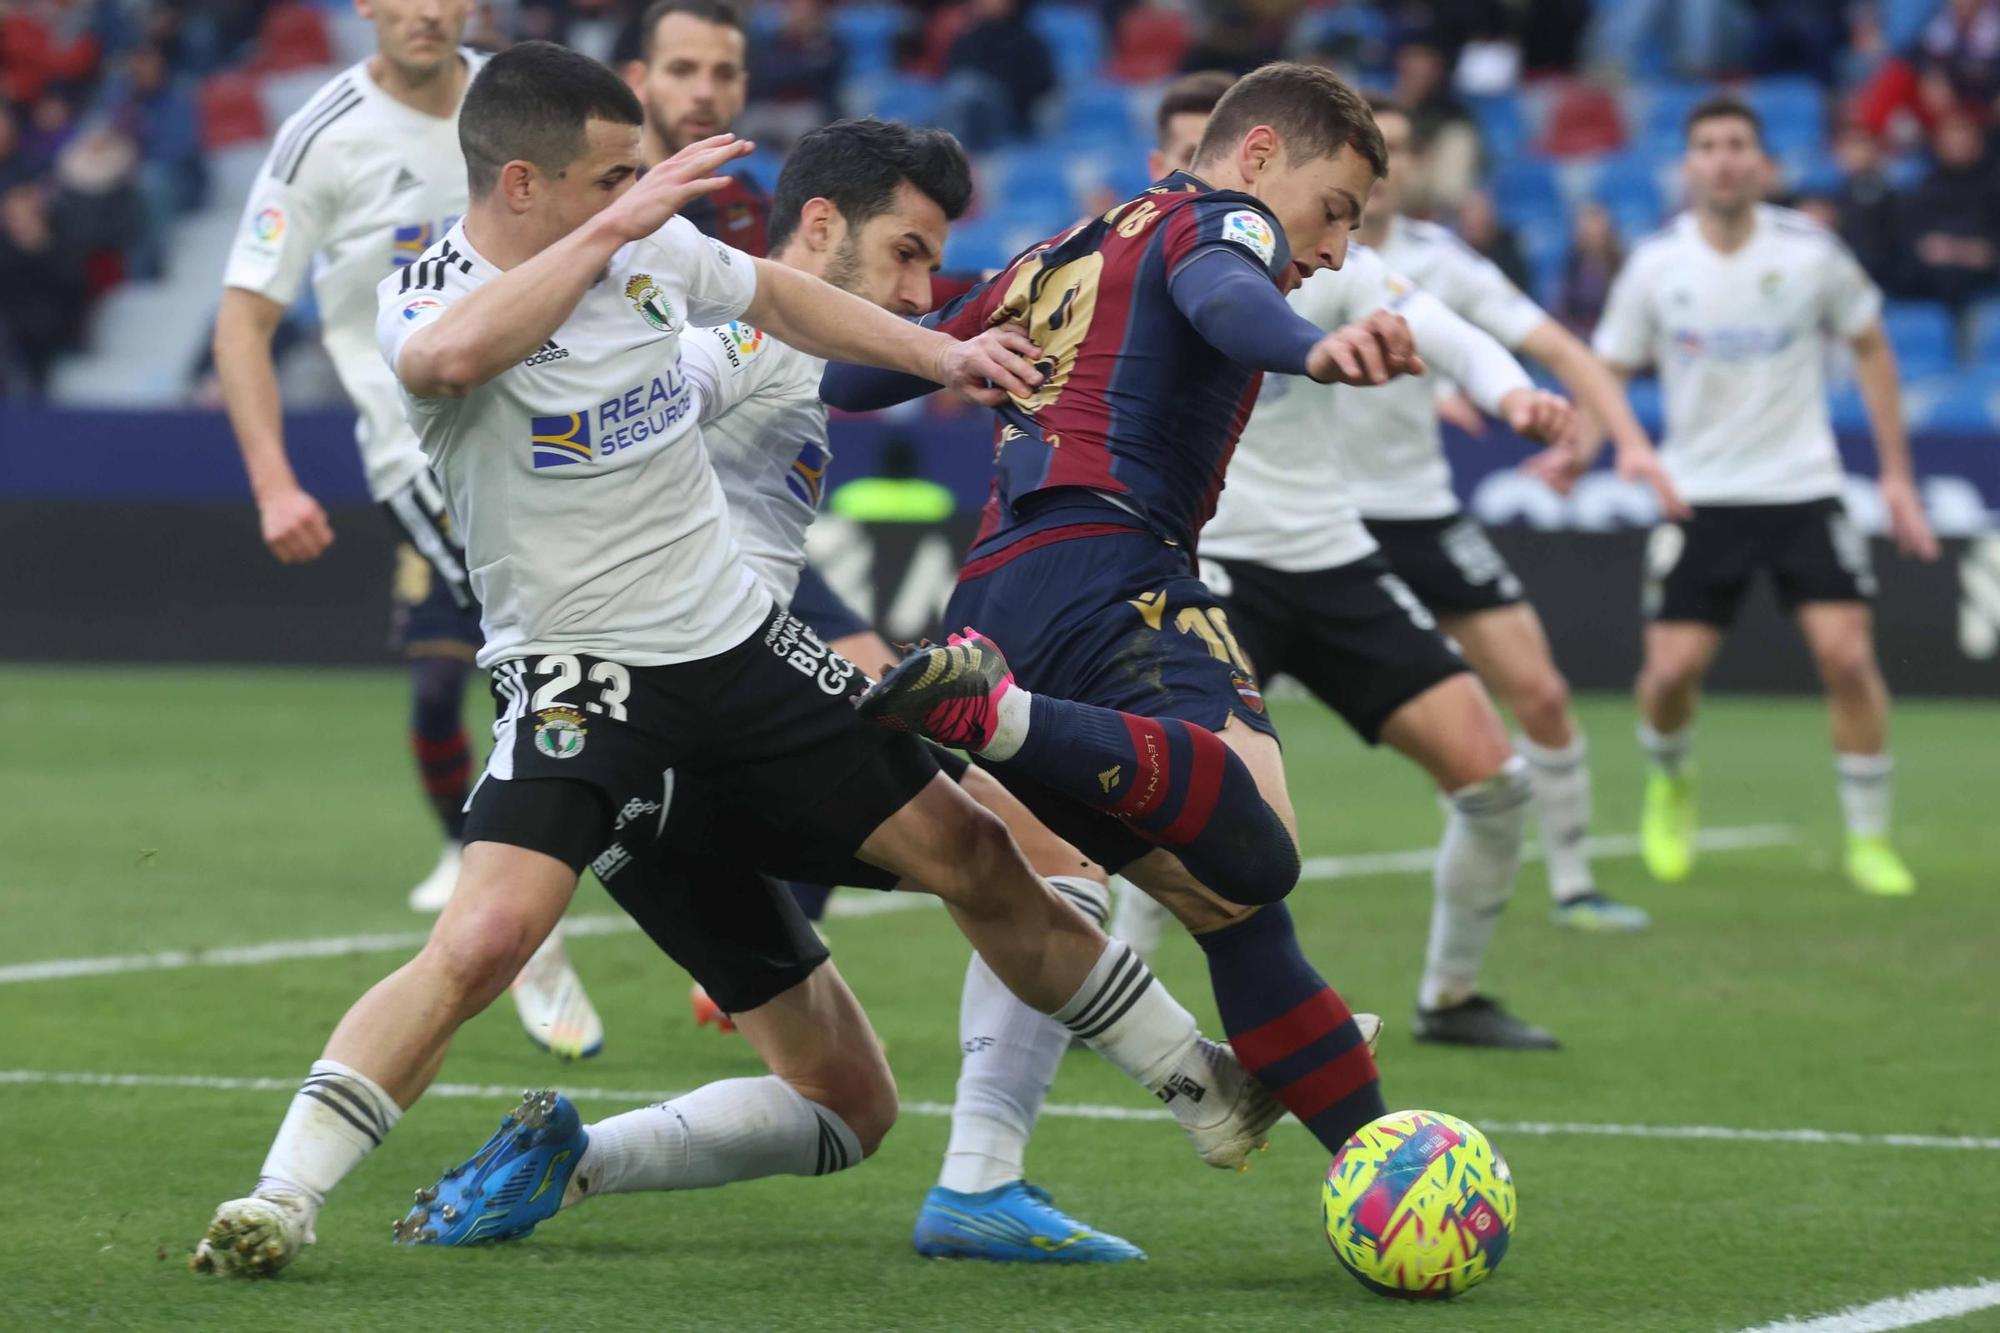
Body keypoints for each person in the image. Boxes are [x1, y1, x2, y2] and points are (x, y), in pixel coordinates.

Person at [193, 44, 1270, 1278]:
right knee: (488, 936)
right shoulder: (429, 290)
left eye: (639, 172)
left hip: (740, 651)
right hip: (577, 678)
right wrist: (619, 234)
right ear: (524, 185)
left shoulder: (651, 252)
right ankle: (278, 1198)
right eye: (613, 175)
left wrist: (942, 358)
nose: (639, 191)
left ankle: (1207, 1093)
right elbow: (442, 365)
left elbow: (773, 295)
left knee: (953, 902)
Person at [834, 61, 1422, 1164]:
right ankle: (995, 718)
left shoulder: (1055, 249)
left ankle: (1376, 1159)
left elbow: (851, 380)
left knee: (1228, 906)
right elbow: (1225, 296)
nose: (1336, 249)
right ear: (1256, 157)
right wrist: (1312, 346)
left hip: (999, 590)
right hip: (1113, 571)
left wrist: (868, 320)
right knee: (1256, 849)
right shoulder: (1223, 220)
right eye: (1333, 210)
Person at [210, 0, 602, 1058]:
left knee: (605, 666)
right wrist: (273, 483)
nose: (426, 9)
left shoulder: (520, 98)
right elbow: (242, 318)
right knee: (556, 668)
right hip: (429, 460)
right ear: (364, 6)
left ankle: (529, 891)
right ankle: (521, 919)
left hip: (565, 429)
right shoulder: (319, 139)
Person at [1339, 95, 1680, 931]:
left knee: (1542, 692)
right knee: (1217, 719)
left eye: (1403, 148)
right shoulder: (1277, 255)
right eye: (1370, 144)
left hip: (1418, 510)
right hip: (1304, 520)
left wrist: (1627, 441)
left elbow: (1562, 350)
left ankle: (1572, 884)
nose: (1387, 164)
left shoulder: (1442, 263)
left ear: (1412, 168)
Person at [1589, 96, 1939, 896]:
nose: (1722, 158)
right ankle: (1670, 786)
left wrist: (1896, 475)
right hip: (1699, 494)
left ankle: (1870, 838)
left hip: (1802, 487)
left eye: (1737, 144)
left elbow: (1872, 346)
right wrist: (1595, 449)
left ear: (1762, 163)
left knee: (1847, 655)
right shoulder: (1656, 264)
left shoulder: (1812, 252)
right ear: (1688, 164)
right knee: (1671, 673)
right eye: (1707, 144)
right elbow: (1606, 369)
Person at [624, 0, 770, 256]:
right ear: (639, 81)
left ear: (742, 89)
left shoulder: (760, 216)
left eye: (724, 74)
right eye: (681, 70)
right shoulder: (593, 203)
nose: (705, 93)